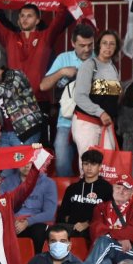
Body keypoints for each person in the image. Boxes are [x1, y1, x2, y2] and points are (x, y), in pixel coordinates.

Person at [42, 24, 98, 177]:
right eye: (82, 45)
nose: (87, 49)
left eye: (90, 45)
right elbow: (43, 85)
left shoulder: (99, 58)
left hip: (91, 121)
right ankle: (68, 195)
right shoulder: (63, 58)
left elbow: (114, 89)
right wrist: (62, 72)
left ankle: (86, 195)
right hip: (66, 121)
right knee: (61, 160)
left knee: (89, 164)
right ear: (73, 43)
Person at [70, 31, 122, 157]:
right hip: (87, 123)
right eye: (104, 43)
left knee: (108, 166)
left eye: (112, 44)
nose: (108, 47)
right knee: (89, 164)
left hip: (105, 124)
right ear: (98, 46)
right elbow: (80, 96)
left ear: (116, 48)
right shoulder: (89, 65)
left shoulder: (114, 68)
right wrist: (101, 112)